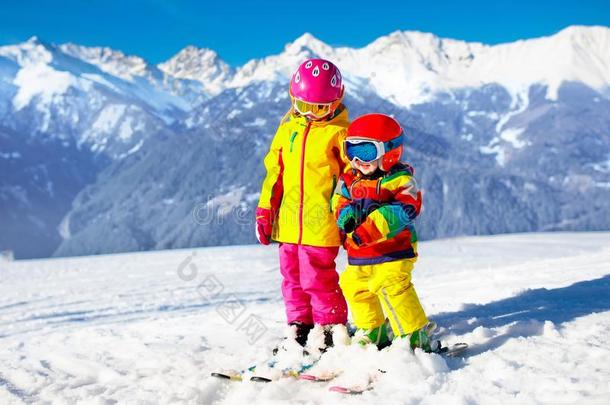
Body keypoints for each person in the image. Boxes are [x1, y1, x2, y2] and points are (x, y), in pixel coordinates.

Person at [256, 58, 350, 354]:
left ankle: (331, 328)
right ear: (292, 98)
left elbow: (351, 179)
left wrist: (350, 217)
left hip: (320, 222)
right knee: (292, 277)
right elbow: (275, 173)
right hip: (288, 223)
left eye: (320, 108)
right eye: (303, 105)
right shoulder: (287, 130)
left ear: (337, 99)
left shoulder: (340, 134)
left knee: (317, 278)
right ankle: (300, 325)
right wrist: (265, 210)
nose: (311, 114)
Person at [331, 113, 436, 352]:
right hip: (359, 254)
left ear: (388, 152)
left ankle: (414, 336)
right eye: (351, 150)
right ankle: (374, 329)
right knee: (354, 286)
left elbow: (405, 208)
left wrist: (370, 229)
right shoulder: (350, 179)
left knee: (391, 287)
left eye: (366, 152)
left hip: (394, 251)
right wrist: (345, 214)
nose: (357, 160)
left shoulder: (401, 181)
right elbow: (338, 199)